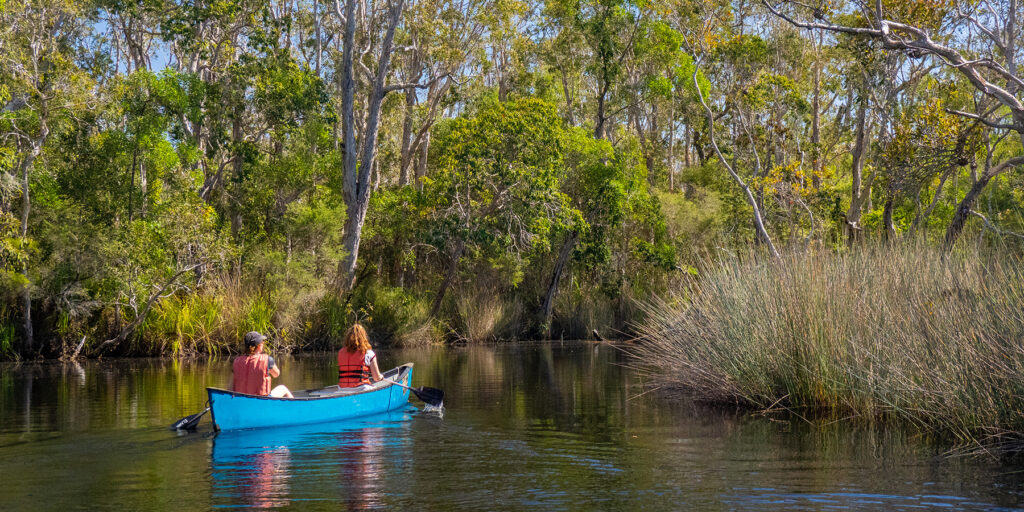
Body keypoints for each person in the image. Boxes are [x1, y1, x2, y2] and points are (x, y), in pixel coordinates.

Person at [233, 331, 294, 398]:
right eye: (262, 342)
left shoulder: (236, 361)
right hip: (262, 400)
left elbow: (230, 386)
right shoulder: (267, 360)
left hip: (241, 399)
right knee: (283, 388)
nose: (263, 343)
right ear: (258, 346)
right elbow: (276, 374)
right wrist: (266, 369)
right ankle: (295, 406)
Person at [337, 324, 383, 388]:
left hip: (342, 389)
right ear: (364, 337)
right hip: (362, 388)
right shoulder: (368, 353)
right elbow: (376, 378)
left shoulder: (340, 353)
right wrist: (381, 377)